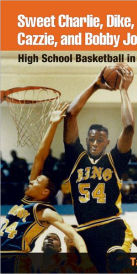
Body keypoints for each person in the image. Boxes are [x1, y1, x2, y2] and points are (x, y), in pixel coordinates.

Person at [63, 64, 134, 272]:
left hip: (111, 228)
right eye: (91, 138)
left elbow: (129, 127)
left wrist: (124, 91)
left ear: (107, 142)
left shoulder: (114, 160)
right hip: (84, 231)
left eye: (100, 139)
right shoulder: (76, 157)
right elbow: (70, 114)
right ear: (85, 140)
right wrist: (94, 86)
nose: (95, 142)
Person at [0, 103, 87, 273]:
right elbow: (40, 157)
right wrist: (52, 124)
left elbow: (73, 234)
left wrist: (85, 259)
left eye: (36, 181)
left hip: (15, 259)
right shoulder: (26, 200)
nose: (31, 182)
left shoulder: (44, 211)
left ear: (45, 192)